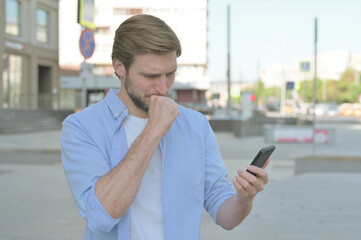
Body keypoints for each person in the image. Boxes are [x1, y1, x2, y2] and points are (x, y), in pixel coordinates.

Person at [61, 14, 269, 240]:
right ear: (119, 67)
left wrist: (244, 199)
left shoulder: (195, 125)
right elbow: (101, 216)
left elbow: (224, 214)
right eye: (151, 76)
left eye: (170, 74)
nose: (163, 87)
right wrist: (152, 131)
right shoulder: (82, 127)